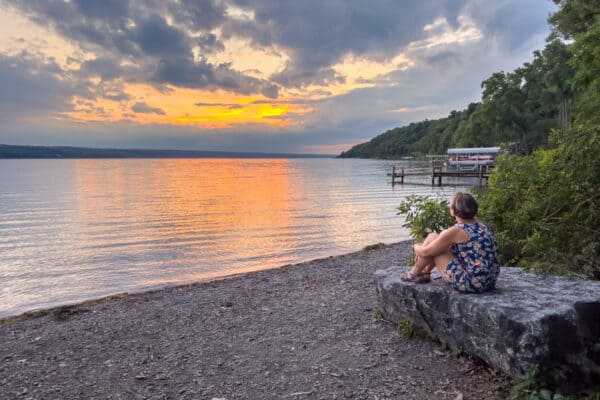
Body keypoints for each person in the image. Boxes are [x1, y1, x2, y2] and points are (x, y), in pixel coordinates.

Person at [400, 192, 500, 293]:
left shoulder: (457, 231)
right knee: (435, 238)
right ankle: (425, 272)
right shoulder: (481, 226)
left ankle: (413, 273)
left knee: (433, 240)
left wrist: (415, 247)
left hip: (472, 283)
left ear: (453, 211)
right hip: (490, 281)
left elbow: (426, 252)